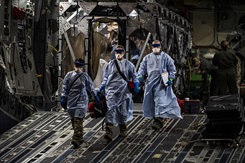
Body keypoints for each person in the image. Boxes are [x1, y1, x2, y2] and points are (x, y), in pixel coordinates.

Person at [137, 40, 182, 131]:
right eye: (154, 46)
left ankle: (158, 121)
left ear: (160, 47)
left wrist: (170, 78)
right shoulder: (147, 58)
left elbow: (172, 69)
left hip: (161, 83)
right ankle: (156, 118)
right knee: (151, 101)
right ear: (151, 47)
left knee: (160, 101)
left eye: (157, 46)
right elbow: (142, 68)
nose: (156, 48)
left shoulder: (166, 57)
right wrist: (139, 77)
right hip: (150, 83)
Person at [98, 45, 140, 141]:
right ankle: (109, 132)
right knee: (110, 110)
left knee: (123, 111)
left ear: (124, 53)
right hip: (111, 90)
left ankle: (123, 129)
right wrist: (102, 87)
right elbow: (106, 77)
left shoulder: (129, 65)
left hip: (124, 91)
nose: (118, 54)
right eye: (117, 52)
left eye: (120, 52)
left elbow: (134, 76)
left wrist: (136, 84)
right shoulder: (111, 64)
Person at [60, 58, 100, 148]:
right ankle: (79, 136)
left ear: (82, 67)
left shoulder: (84, 76)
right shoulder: (69, 75)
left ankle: (76, 138)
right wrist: (63, 97)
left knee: (78, 119)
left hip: (81, 101)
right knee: (74, 121)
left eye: (79, 66)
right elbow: (65, 87)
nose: (78, 68)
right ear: (74, 66)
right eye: (77, 66)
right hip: (71, 101)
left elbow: (90, 87)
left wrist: (95, 96)